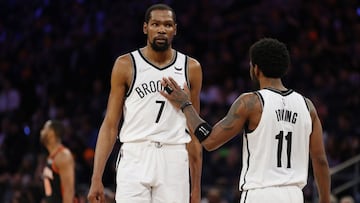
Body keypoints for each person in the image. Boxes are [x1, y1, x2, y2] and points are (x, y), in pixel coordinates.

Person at [160, 38, 331, 203]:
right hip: (295, 195)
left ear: (256, 69)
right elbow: (320, 161)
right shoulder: (308, 107)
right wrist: (324, 200)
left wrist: (185, 104)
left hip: (260, 195)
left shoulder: (251, 102)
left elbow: (210, 141)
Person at [87, 3, 203, 203]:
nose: (161, 29)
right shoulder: (125, 65)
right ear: (145, 28)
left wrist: (196, 188)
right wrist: (96, 177)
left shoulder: (191, 68)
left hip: (174, 155)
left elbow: (194, 132)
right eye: (156, 24)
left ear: (175, 29)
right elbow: (110, 125)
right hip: (135, 154)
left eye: (167, 25)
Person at [40, 120, 76, 203]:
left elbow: (69, 191)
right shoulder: (51, 157)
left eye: (44, 128)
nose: (41, 131)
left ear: (52, 133)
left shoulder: (63, 156)